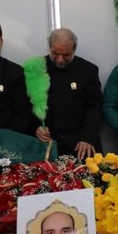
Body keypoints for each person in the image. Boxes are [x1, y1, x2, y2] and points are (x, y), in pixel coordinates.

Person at [34, 28, 102, 159]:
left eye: (66, 55)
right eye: (55, 53)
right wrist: (37, 127)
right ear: (49, 47)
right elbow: (28, 103)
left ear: (74, 49)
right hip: (48, 142)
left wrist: (87, 137)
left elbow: (95, 107)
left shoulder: (88, 70)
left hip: (81, 141)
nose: (60, 59)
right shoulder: (37, 70)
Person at [0, 22, 33, 133]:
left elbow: (23, 113)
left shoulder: (15, 72)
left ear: (1, 42)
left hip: (5, 141)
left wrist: (7, 138)